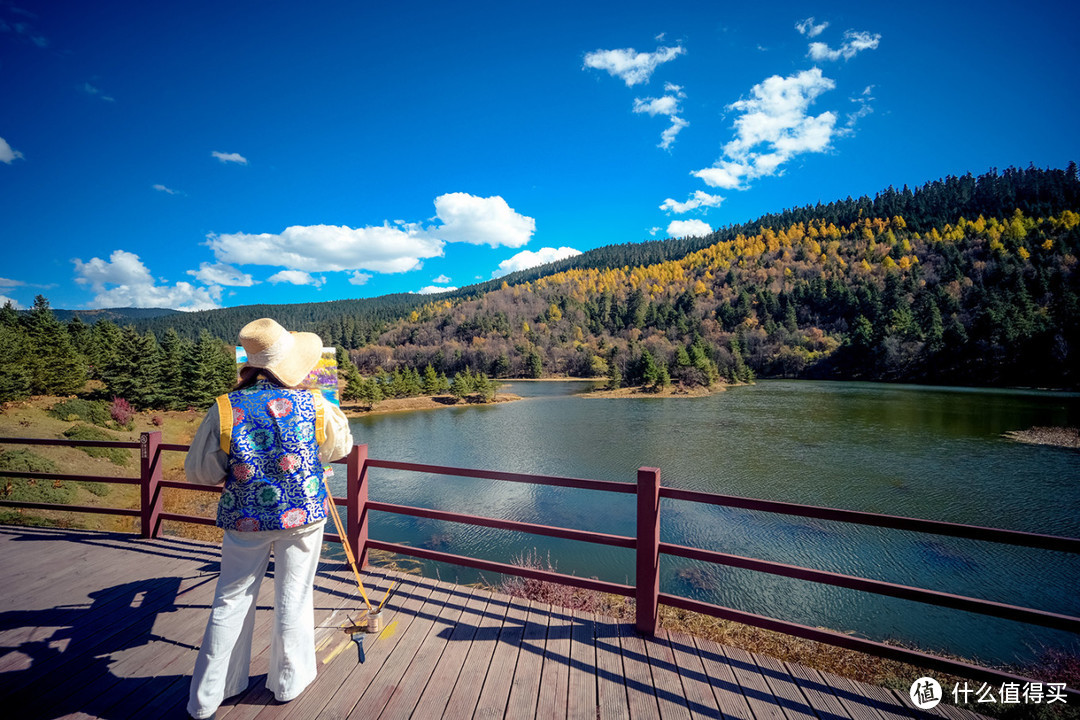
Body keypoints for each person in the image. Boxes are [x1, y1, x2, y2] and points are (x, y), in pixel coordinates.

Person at [183, 318, 353, 720]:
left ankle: (209, 696)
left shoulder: (226, 407)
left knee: (231, 598)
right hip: (304, 516)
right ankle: (288, 683)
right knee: (294, 595)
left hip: (244, 519)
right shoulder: (314, 404)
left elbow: (200, 472)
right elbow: (340, 448)